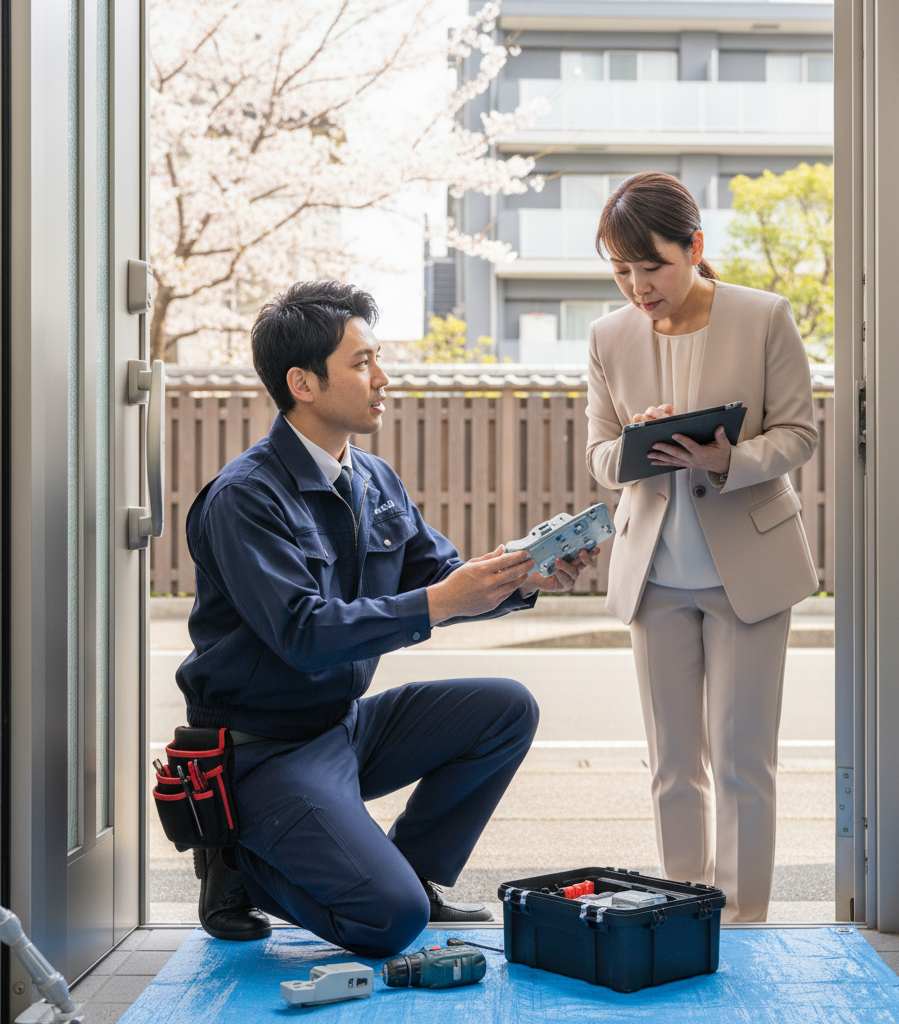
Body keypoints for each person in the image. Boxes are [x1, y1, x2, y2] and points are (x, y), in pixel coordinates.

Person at [175, 280, 596, 956]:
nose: (382, 377)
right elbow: (305, 635)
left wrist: (523, 579)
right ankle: (238, 862)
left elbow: (438, 579)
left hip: (343, 727)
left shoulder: (372, 478)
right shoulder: (245, 498)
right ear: (303, 383)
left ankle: (413, 871)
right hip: (264, 749)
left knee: (505, 710)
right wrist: (443, 599)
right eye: (362, 362)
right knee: (390, 924)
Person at [585, 172, 818, 923]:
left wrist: (726, 459)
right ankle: (686, 914)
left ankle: (745, 922)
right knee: (673, 767)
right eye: (621, 270)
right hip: (653, 576)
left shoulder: (764, 316)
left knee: (744, 762)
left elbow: (800, 434)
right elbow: (597, 455)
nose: (636, 286)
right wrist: (633, 443)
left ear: (695, 247)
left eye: (650, 265)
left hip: (747, 571)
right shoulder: (607, 336)